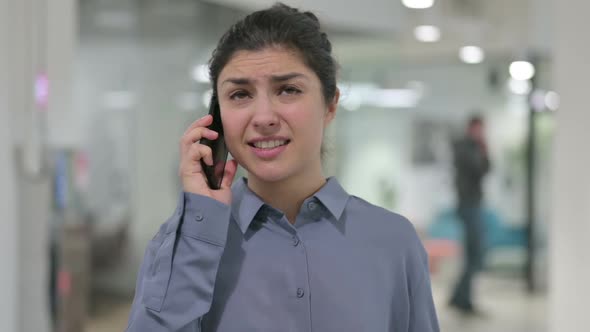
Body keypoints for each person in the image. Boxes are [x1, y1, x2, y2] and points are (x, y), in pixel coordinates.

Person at [126, 4, 439, 331]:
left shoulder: (394, 242)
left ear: (330, 104)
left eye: (288, 90)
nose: (263, 117)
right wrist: (199, 224)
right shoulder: (184, 241)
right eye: (240, 94)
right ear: (217, 117)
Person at [449, 115, 491, 314]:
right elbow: (477, 169)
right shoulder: (464, 147)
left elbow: (487, 169)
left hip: (474, 204)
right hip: (468, 205)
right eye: (478, 129)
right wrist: (482, 148)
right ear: (471, 128)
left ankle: (459, 297)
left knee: (474, 255)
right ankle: (462, 299)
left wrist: (484, 149)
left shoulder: (474, 147)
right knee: (475, 254)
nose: (480, 133)